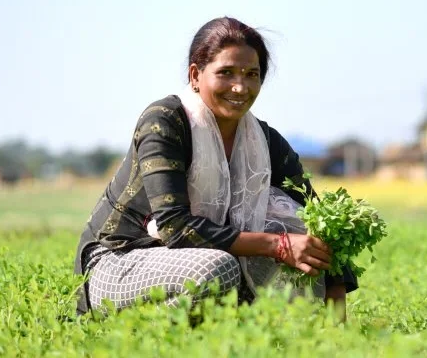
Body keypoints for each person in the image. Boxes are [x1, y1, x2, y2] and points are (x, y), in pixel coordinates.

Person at [73, 16, 357, 317]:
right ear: (195, 75)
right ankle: (146, 341)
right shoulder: (165, 121)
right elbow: (174, 227)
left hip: (195, 262)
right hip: (119, 262)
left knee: (285, 261)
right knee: (218, 268)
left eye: (252, 74)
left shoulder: (264, 140)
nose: (240, 87)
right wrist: (279, 245)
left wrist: (336, 308)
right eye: (226, 73)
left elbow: (316, 217)